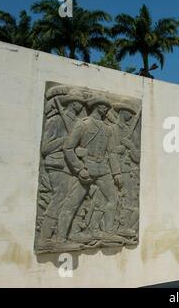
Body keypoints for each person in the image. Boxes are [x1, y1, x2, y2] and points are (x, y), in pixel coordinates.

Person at [56, 96, 123, 248]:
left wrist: (117, 173)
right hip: (86, 168)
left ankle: (107, 231)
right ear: (97, 106)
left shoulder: (107, 128)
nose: (106, 109)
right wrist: (79, 169)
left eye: (107, 107)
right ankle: (60, 239)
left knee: (113, 199)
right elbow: (68, 147)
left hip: (103, 169)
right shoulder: (83, 124)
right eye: (104, 106)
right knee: (73, 203)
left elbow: (112, 152)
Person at [37, 89, 86, 249]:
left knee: (69, 200)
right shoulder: (56, 120)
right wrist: (66, 140)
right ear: (72, 103)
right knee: (59, 198)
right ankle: (44, 238)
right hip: (56, 164)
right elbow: (45, 148)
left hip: (69, 166)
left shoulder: (76, 123)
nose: (80, 106)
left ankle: (61, 236)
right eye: (78, 102)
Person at [111, 102, 141, 238]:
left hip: (128, 170)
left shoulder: (129, 132)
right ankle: (113, 228)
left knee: (129, 200)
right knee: (116, 199)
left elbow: (137, 157)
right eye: (128, 112)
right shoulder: (113, 129)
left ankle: (123, 227)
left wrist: (130, 146)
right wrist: (116, 172)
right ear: (122, 112)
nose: (130, 116)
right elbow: (108, 152)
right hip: (115, 170)